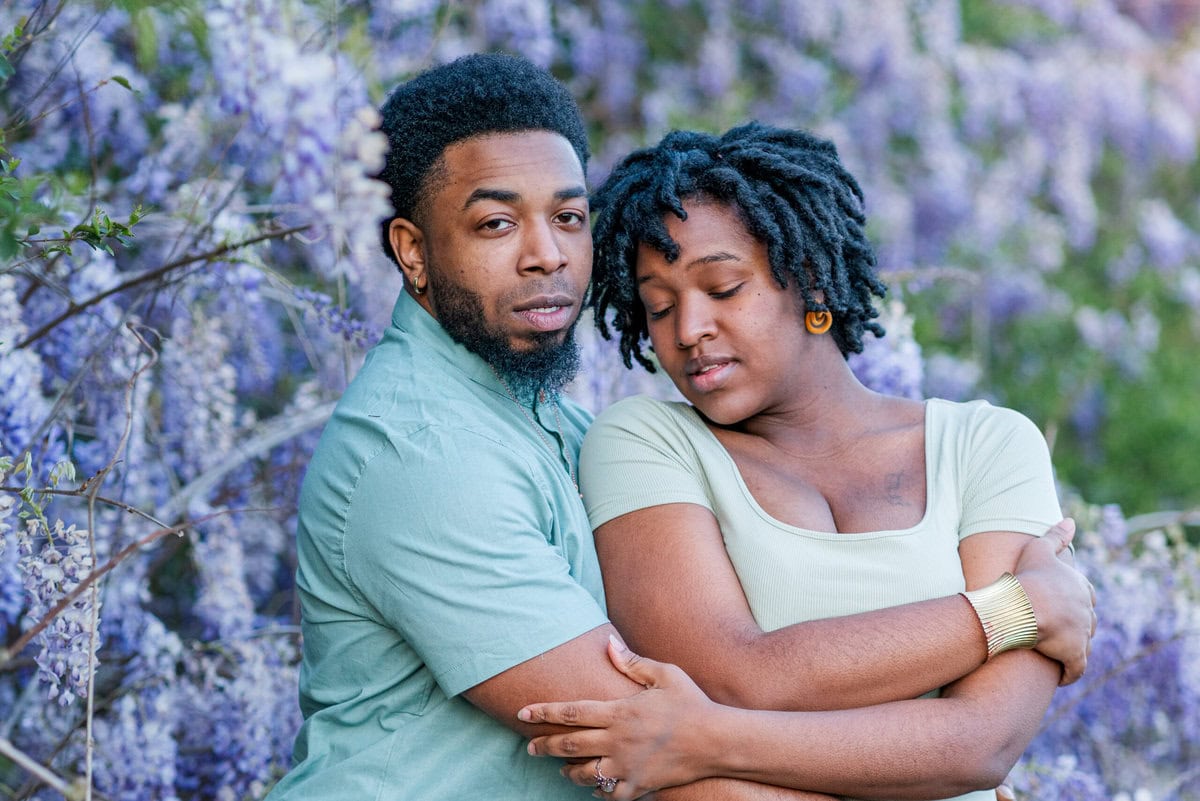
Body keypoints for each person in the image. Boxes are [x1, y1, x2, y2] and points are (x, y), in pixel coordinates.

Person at [268, 54, 1093, 801]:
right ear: (412, 253)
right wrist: (1014, 612)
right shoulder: (422, 454)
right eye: (496, 224)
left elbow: (977, 741)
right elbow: (675, 758)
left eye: (568, 217)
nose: (546, 255)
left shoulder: (549, 420)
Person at [519, 123, 1098, 801]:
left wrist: (705, 739)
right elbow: (739, 676)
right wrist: (1018, 608)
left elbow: (979, 744)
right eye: (660, 307)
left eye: (723, 288)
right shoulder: (644, 442)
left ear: (813, 281)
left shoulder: (990, 446)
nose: (688, 330)